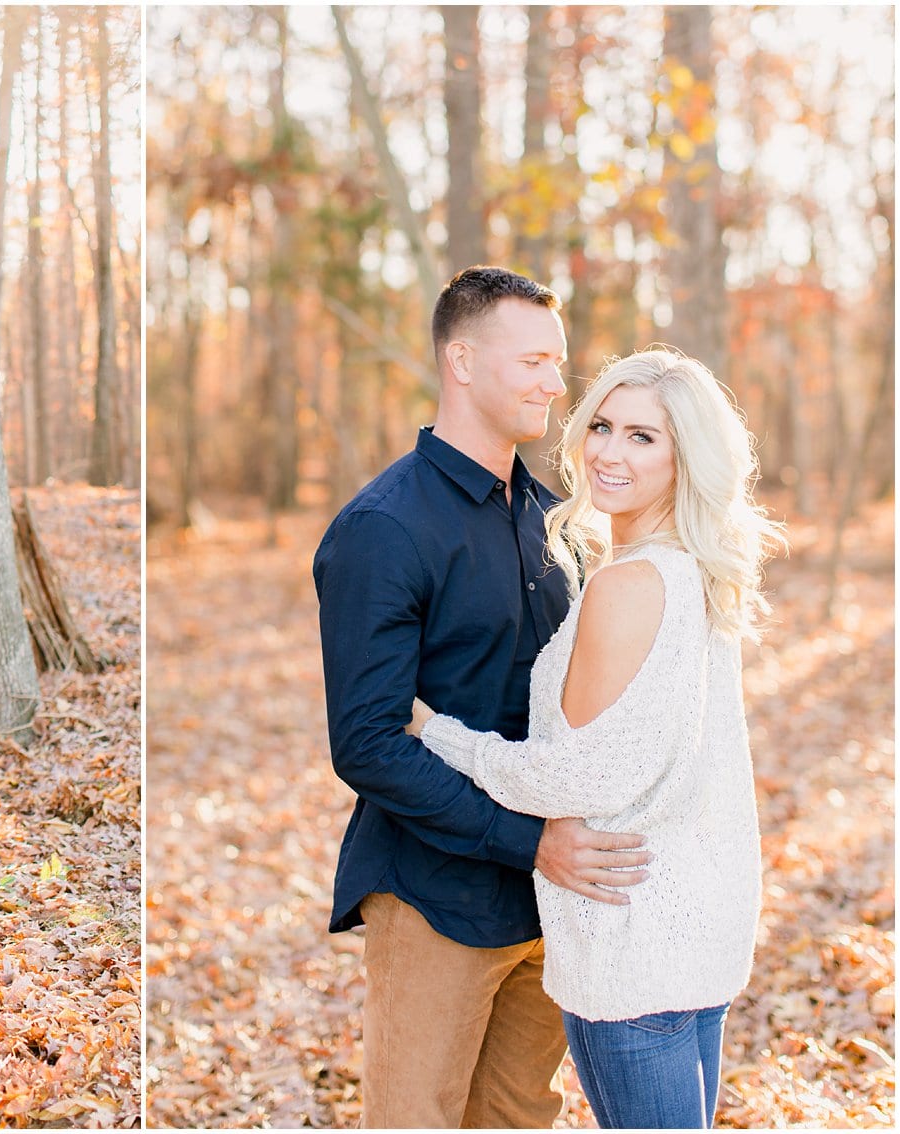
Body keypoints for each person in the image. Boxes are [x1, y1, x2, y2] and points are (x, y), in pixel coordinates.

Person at [312, 266, 654, 1128]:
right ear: (460, 362)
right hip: (437, 896)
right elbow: (367, 743)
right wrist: (527, 840)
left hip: (552, 902)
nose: (554, 382)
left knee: (514, 1121)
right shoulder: (382, 529)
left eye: (557, 361)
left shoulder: (556, 525)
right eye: (532, 360)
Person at [407, 348, 781, 1128]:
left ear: (687, 458)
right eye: (602, 425)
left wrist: (440, 735)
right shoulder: (696, 574)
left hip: (633, 939)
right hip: (694, 932)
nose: (609, 451)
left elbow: (573, 776)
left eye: (643, 437)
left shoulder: (628, 584)